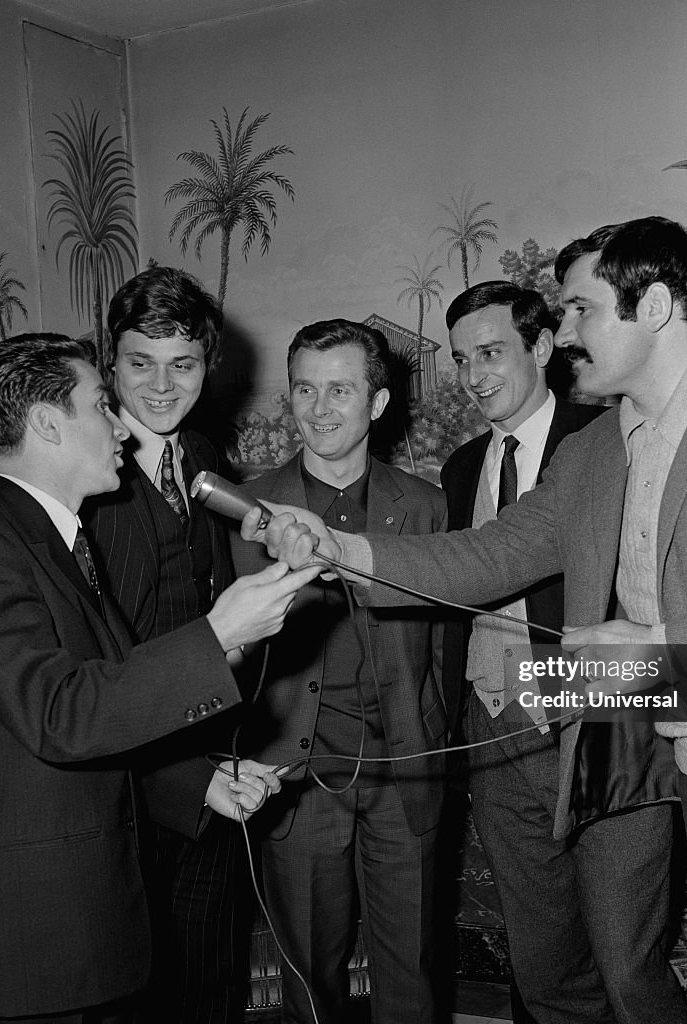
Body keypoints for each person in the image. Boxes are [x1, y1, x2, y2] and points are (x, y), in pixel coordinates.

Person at [245, 217, 687, 1024]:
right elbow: (490, 554)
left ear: (657, 306)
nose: (561, 336)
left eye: (579, 311)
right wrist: (344, 548)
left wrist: (661, 650)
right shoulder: (597, 451)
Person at [0, 333, 320, 1023]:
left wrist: (206, 785)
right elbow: (59, 716)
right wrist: (220, 632)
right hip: (19, 946)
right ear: (46, 422)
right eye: (102, 406)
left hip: (64, 935)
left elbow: (111, 700)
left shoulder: (50, 542)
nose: (121, 428)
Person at [440, 280, 687, 1024]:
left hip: (598, 721)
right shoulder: (459, 469)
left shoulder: (612, 441)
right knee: (543, 967)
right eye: (461, 359)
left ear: (542, 347)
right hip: (496, 728)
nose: (476, 374)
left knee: (626, 965)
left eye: (491, 352)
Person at [228, 319, 448, 1024]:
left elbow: (444, 647)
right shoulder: (247, 510)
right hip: (298, 784)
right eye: (304, 390)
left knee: (410, 978)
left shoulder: (426, 505)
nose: (319, 409)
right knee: (310, 987)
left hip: (405, 775)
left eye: (340, 390)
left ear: (377, 405)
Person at [82, 266, 240, 1024]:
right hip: (128, 791)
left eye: (183, 365)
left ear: (208, 366)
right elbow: (90, 674)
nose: (160, 387)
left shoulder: (206, 455)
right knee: (134, 997)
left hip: (218, 771)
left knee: (210, 987)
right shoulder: (83, 478)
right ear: (109, 362)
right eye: (139, 362)